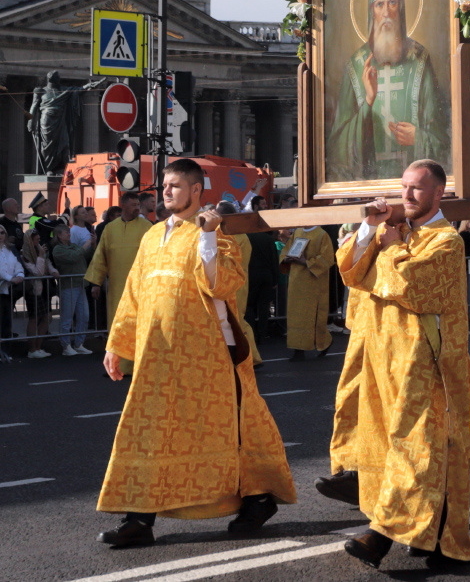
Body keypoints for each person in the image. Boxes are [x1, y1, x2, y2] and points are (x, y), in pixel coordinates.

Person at [95, 158, 295, 548]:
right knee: (148, 434)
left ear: (196, 191)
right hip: (156, 358)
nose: (166, 192)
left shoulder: (218, 235)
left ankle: (257, 499)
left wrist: (206, 235)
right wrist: (117, 343)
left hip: (205, 360)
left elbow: (224, 284)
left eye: (175, 186)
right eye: (164, 186)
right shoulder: (152, 236)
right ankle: (138, 517)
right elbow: (134, 294)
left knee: (227, 430)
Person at [336, 160, 470, 568]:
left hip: (425, 365)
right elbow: (351, 272)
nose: (406, 195)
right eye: (404, 187)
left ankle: (380, 535)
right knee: (401, 450)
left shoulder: (447, 241)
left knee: (418, 451)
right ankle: (436, 540)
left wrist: (387, 250)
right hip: (383, 361)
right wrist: (371, 230)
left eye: (417, 189)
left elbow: (408, 287)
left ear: (439, 193)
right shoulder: (392, 232)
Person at [329, 0, 448, 181]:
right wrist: (368, 101)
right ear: (371, 11)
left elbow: (442, 134)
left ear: (401, 8)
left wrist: (418, 138)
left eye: (392, 3)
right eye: (379, 4)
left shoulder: (419, 58)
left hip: (417, 181)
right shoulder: (356, 65)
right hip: (367, 180)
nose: (386, 13)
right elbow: (338, 144)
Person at [85, 191, 152, 376]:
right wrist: (96, 283)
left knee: (138, 327)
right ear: (123, 205)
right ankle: (117, 366)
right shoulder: (110, 228)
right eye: (133, 205)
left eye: (138, 204)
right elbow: (100, 257)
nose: (137, 208)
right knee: (117, 326)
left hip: (141, 288)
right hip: (116, 289)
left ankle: (137, 368)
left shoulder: (147, 227)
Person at [216, 201, 264, 366]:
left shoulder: (238, 236)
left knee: (238, 320)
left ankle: (253, 357)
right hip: (227, 283)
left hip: (236, 285)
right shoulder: (227, 233)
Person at [279, 223, 334, 360]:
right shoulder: (297, 232)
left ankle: (324, 342)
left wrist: (306, 261)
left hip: (313, 283)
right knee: (295, 316)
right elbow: (286, 250)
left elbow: (327, 258)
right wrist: (286, 258)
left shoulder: (321, 234)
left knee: (311, 316)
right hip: (296, 281)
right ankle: (298, 349)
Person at [50, 223, 93, 355]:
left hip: (80, 285)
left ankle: (79, 343)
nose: (69, 234)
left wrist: (93, 243)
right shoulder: (57, 249)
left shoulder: (73, 246)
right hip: (68, 287)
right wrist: (86, 245)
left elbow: (85, 254)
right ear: (59, 235)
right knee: (67, 318)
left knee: (84, 316)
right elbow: (74, 257)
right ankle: (66, 345)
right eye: (65, 232)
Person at [21, 227, 59, 358]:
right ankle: (32, 349)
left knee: (47, 317)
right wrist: (41, 256)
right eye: (36, 239)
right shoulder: (25, 254)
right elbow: (38, 272)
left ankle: (38, 346)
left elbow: (47, 264)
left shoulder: (40, 250)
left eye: (38, 239)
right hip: (33, 290)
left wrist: (53, 270)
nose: (38, 241)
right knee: (34, 318)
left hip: (44, 289)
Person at [246, 229, 280, 349]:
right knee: (264, 306)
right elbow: (274, 260)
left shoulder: (247, 237)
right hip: (267, 276)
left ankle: (252, 334)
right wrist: (275, 279)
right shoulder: (269, 239)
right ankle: (262, 334)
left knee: (249, 305)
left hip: (251, 276)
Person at [0, 226, 25, 359]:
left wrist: (20, 274)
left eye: (2, 232)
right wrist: (11, 278)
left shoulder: (10, 249)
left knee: (6, 323)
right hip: (3, 285)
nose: (0, 235)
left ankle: (5, 352)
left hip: (6, 291)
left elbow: (17, 264)